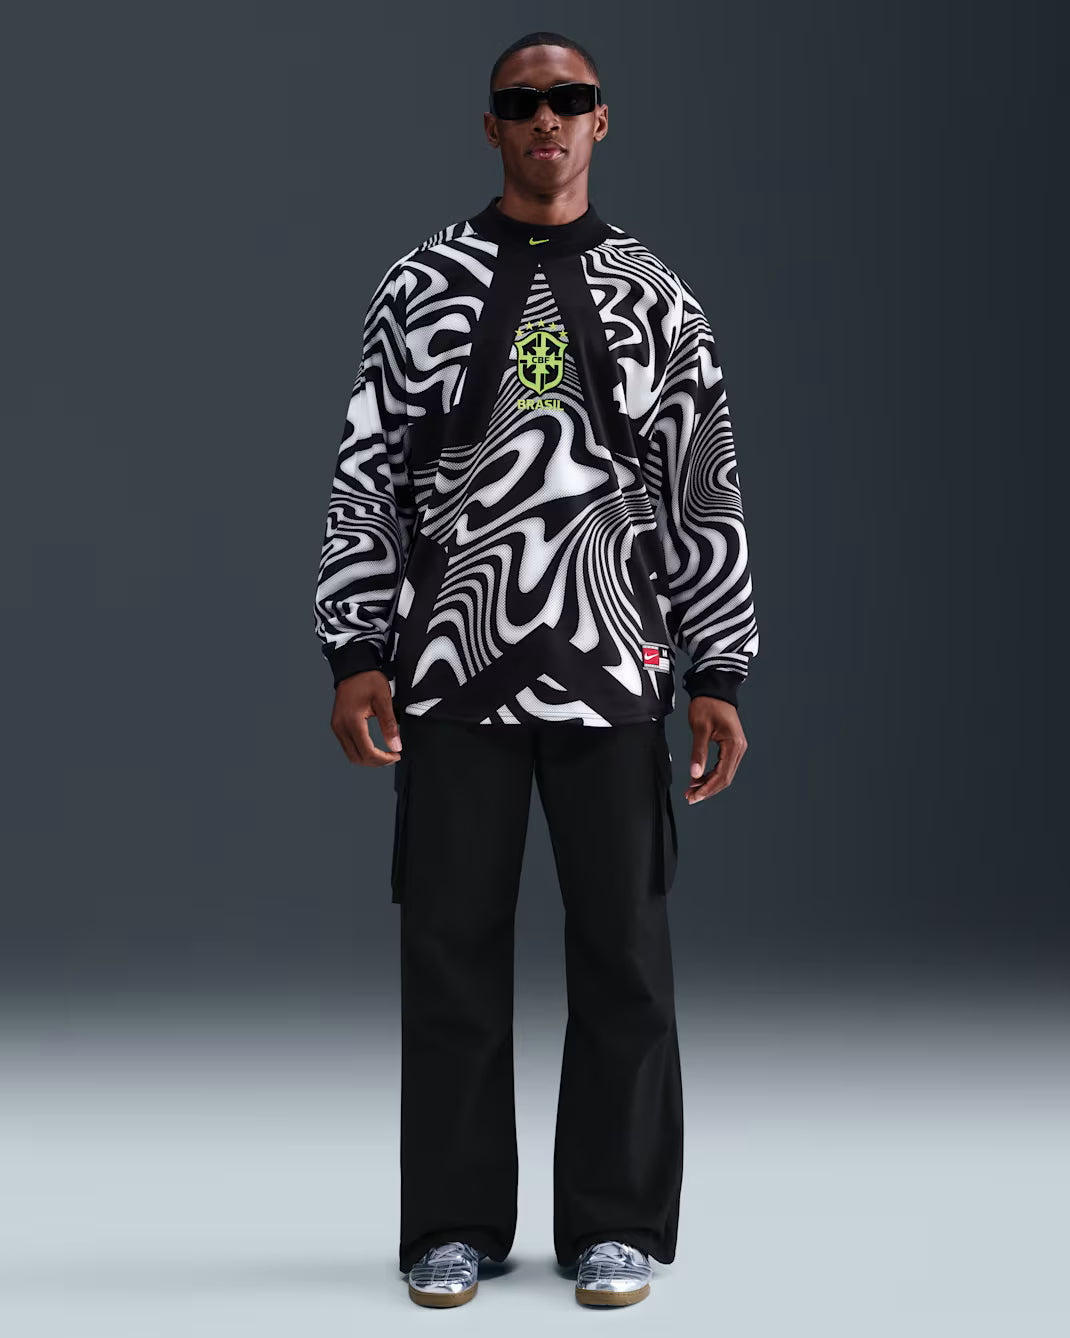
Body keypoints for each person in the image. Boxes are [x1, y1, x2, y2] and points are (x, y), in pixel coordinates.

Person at [312, 29, 759, 1309]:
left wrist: (717, 668)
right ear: (492, 125)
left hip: (613, 666)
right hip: (452, 669)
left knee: (624, 953)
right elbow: (368, 473)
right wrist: (354, 650)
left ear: (600, 120)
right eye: (523, 102)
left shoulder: (654, 297)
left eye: (569, 99)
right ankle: (451, 1224)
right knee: (449, 952)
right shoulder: (422, 284)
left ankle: (615, 1222)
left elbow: (700, 489)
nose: (546, 119)